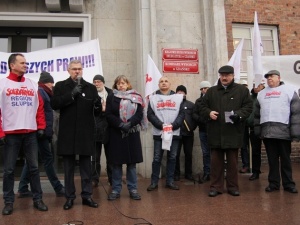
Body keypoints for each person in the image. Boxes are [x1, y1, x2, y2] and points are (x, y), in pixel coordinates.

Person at [0, 53, 48, 215]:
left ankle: (38, 199)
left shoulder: (32, 84)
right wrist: (0, 132)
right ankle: (8, 201)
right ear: (12, 65)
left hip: (30, 133)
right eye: (22, 63)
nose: (25, 65)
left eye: (26, 63)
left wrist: (41, 126)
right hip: (11, 133)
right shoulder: (2, 83)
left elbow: (39, 107)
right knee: (8, 170)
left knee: (34, 168)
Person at [50, 59, 101, 210]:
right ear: (68, 70)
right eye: (74, 69)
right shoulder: (60, 86)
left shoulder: (90, 87)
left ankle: (87, 196)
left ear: (82, 70)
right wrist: (71, 95)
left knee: (86, 167)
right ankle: (70, 197)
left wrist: (98, 106)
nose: (77, 71)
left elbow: (96, 111)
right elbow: (54, 104)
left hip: (85, 133)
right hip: (68, 133)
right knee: (68, 168)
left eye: (79, 69)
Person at [199, 65, 252, 197]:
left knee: (233, 163)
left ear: (233, 76)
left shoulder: (241, 91)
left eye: (227, 75)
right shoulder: (211, 91)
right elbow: (201, 106)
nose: (224, 77)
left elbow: (248, 106)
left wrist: (239, 115)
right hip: (215, 132)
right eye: (222, 75)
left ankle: (233, 187)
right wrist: (209, 112)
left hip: (233, 132)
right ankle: (216, 187)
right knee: (216, 163)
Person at [18, 71, 65, 198]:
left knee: (31, 161)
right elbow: (40, 113)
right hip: (41, 133)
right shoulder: (41, 92)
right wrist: (43, 130)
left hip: (40, 132)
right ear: (45, 82)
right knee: (47, 160)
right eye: (51, 82)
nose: (52, 85)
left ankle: (22, 188)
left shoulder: (44, 93)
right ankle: (58, 188)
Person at [254, 70, 300, 193]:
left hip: (283, 131)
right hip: (268, 132)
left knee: (285, 159)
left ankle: (288, 184)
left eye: (272, 77)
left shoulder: (289, 91)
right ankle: (273, 183)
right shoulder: (261, 94)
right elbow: (257, 115)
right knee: (272, 160)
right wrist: (258, 131)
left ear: (279, 77)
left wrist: (295, 133)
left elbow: (296, 113)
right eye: (268, 77)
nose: (269, 79)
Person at [106, 75, 145, 201]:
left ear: (128, 84)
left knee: (131, 164)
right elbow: (109, 114)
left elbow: (139, 114)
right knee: (116, 164)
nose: (121, 85)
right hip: (117, 133)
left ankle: (133, 189)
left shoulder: (136, 97)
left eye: (123, 83)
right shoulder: (111, 96)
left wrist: (130, 124)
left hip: (132, 133)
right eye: (118, 84)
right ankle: (116, 189)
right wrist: (120, 124)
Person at [147, 76, 184, 191]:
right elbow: (150, 114)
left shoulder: (178, 98)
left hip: (174, 132)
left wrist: (173, 125)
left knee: (172, 157)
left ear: (170, 84)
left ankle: (170, 181)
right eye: (161, 81)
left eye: (166, 81)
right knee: (157, 158)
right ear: (158, 85)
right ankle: (154, 182)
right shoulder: (153, 98)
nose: (163, 83)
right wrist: (161, 125)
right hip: (159, 133)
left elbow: (182, 114)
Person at [91, 74, 113, 187]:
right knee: (95, 158)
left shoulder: (111, 93)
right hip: (95, 129)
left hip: (109, 129)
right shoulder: (91, 94)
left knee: (111, 157)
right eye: (95, 82)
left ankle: (112, 178)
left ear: (103, 82)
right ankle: (94, 179)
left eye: (99, 81)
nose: (96, 84)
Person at [174, 85, 197, 181]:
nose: (180, 93)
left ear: (185, 93)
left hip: (188, 134)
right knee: (175, 155)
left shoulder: (191, 105)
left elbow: (195, 118)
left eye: (182, 92)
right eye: (178, 92)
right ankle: (176, 174)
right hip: (177, 133)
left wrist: (192, 128)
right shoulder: (173, 105)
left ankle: (188, 173)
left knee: (188, 154)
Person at [193, 80, 212, 183]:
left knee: (214, 152)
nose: (204, 90)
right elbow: (194, 114)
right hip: (203, 130)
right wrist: (201, 120)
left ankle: (216, 173)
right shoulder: (198, 101)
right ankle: (207, 172)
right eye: (202, 89)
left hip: (213, 130)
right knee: (205, 153)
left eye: (206, 88)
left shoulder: (214, 100)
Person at [247, 83, 264, 180]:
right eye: (254, 85)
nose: (256, 87)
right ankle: (255, 172)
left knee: (272, 152)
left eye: (259, 86)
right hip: (254, 127)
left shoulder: (267, 96)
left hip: (266, 127)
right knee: (255, 151)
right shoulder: (250, 98)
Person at [239, 80, 250, 173]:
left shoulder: (253, 97)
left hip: (252, 126)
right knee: (243, 147)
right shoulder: (240, 98)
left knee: (253, 147)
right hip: (242, 125)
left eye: (245, 86)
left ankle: (253, 166)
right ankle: (245, 164)